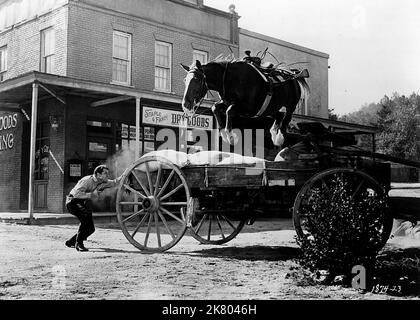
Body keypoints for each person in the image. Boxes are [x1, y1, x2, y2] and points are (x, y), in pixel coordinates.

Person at [65, 165, 123, 252]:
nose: (107, 175)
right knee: (85, 219)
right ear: (98, 174)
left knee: (91, 229)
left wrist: (126, 173)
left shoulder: (103, 181)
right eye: (105, 173)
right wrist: (92, 195)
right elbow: (77, 194)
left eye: (108, 173)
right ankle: (79, 244)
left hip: (82, 202)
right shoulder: (87, 180)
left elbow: (115, 182)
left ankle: (70, 242)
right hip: (72, 201)